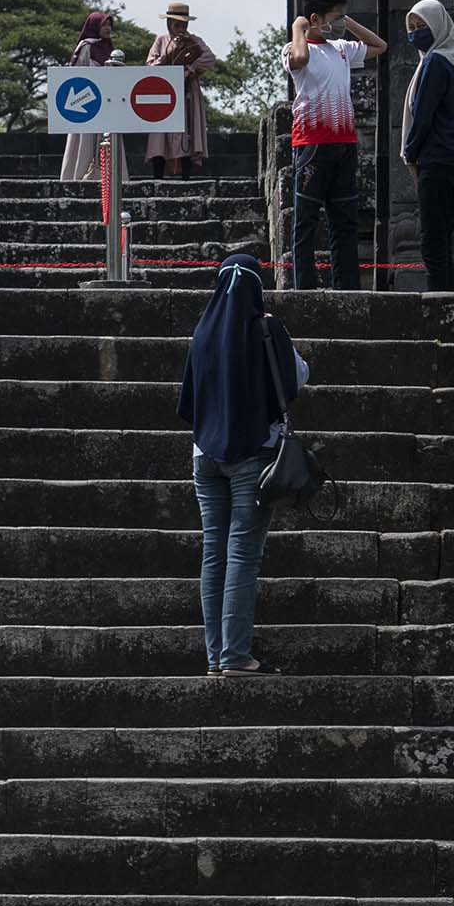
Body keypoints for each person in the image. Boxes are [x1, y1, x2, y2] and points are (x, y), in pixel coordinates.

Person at [178, 243, 302, 674]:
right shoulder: (265, 328)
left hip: (204, 457)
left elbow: (187, 401)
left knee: (213, 551)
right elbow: (294, 379)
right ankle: (235, 655)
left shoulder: (203, 331)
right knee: (242, 553)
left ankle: (216, 656)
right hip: (252, 455)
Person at [280, 0, 381, 290]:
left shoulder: (341, 49)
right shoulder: (294, 49)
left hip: (344, 146)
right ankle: (304, 290)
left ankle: (347, 288)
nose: (338, 24)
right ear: (315, 19)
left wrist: (346, 22)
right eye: (334, 17)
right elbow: (300, 59)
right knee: (306, 222)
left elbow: (379, 46)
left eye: (341, 17)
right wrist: (299, 27)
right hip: (312, 145)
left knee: (345, 222)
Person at [399, 0, 454, 293]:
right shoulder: (453, 63)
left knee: (431, 241)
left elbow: (423, 115)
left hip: (437, 160)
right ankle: (451, 301)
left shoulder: (434, 62)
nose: (415, 32)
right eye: (412, 26)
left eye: (422, 25)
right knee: (443, 236)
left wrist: (411, 154)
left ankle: (438, 307)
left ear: (438, 26)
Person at [55, 6, 134, 188]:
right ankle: (80, 176)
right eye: (104, 25)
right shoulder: (87, 47)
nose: (107, 29)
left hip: (108, 103)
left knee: (110, 139)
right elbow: (78, 76)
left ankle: (114, 179)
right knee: (85, 139)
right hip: (87, 104)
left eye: (109, 25)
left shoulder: (110, 48)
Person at [144, 1, 217, 176]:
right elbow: (150, 65)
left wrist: (190, 69)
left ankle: (186, 175)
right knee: (160, 134)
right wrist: (167, 57)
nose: (181, 28)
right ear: (169, 24)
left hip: (186, 91)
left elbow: (209, 58)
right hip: (163, 93)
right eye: (177, 24)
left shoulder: (195, 41)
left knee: (186, 130)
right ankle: (158, 174)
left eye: (184, 24)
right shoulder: (161, 41)